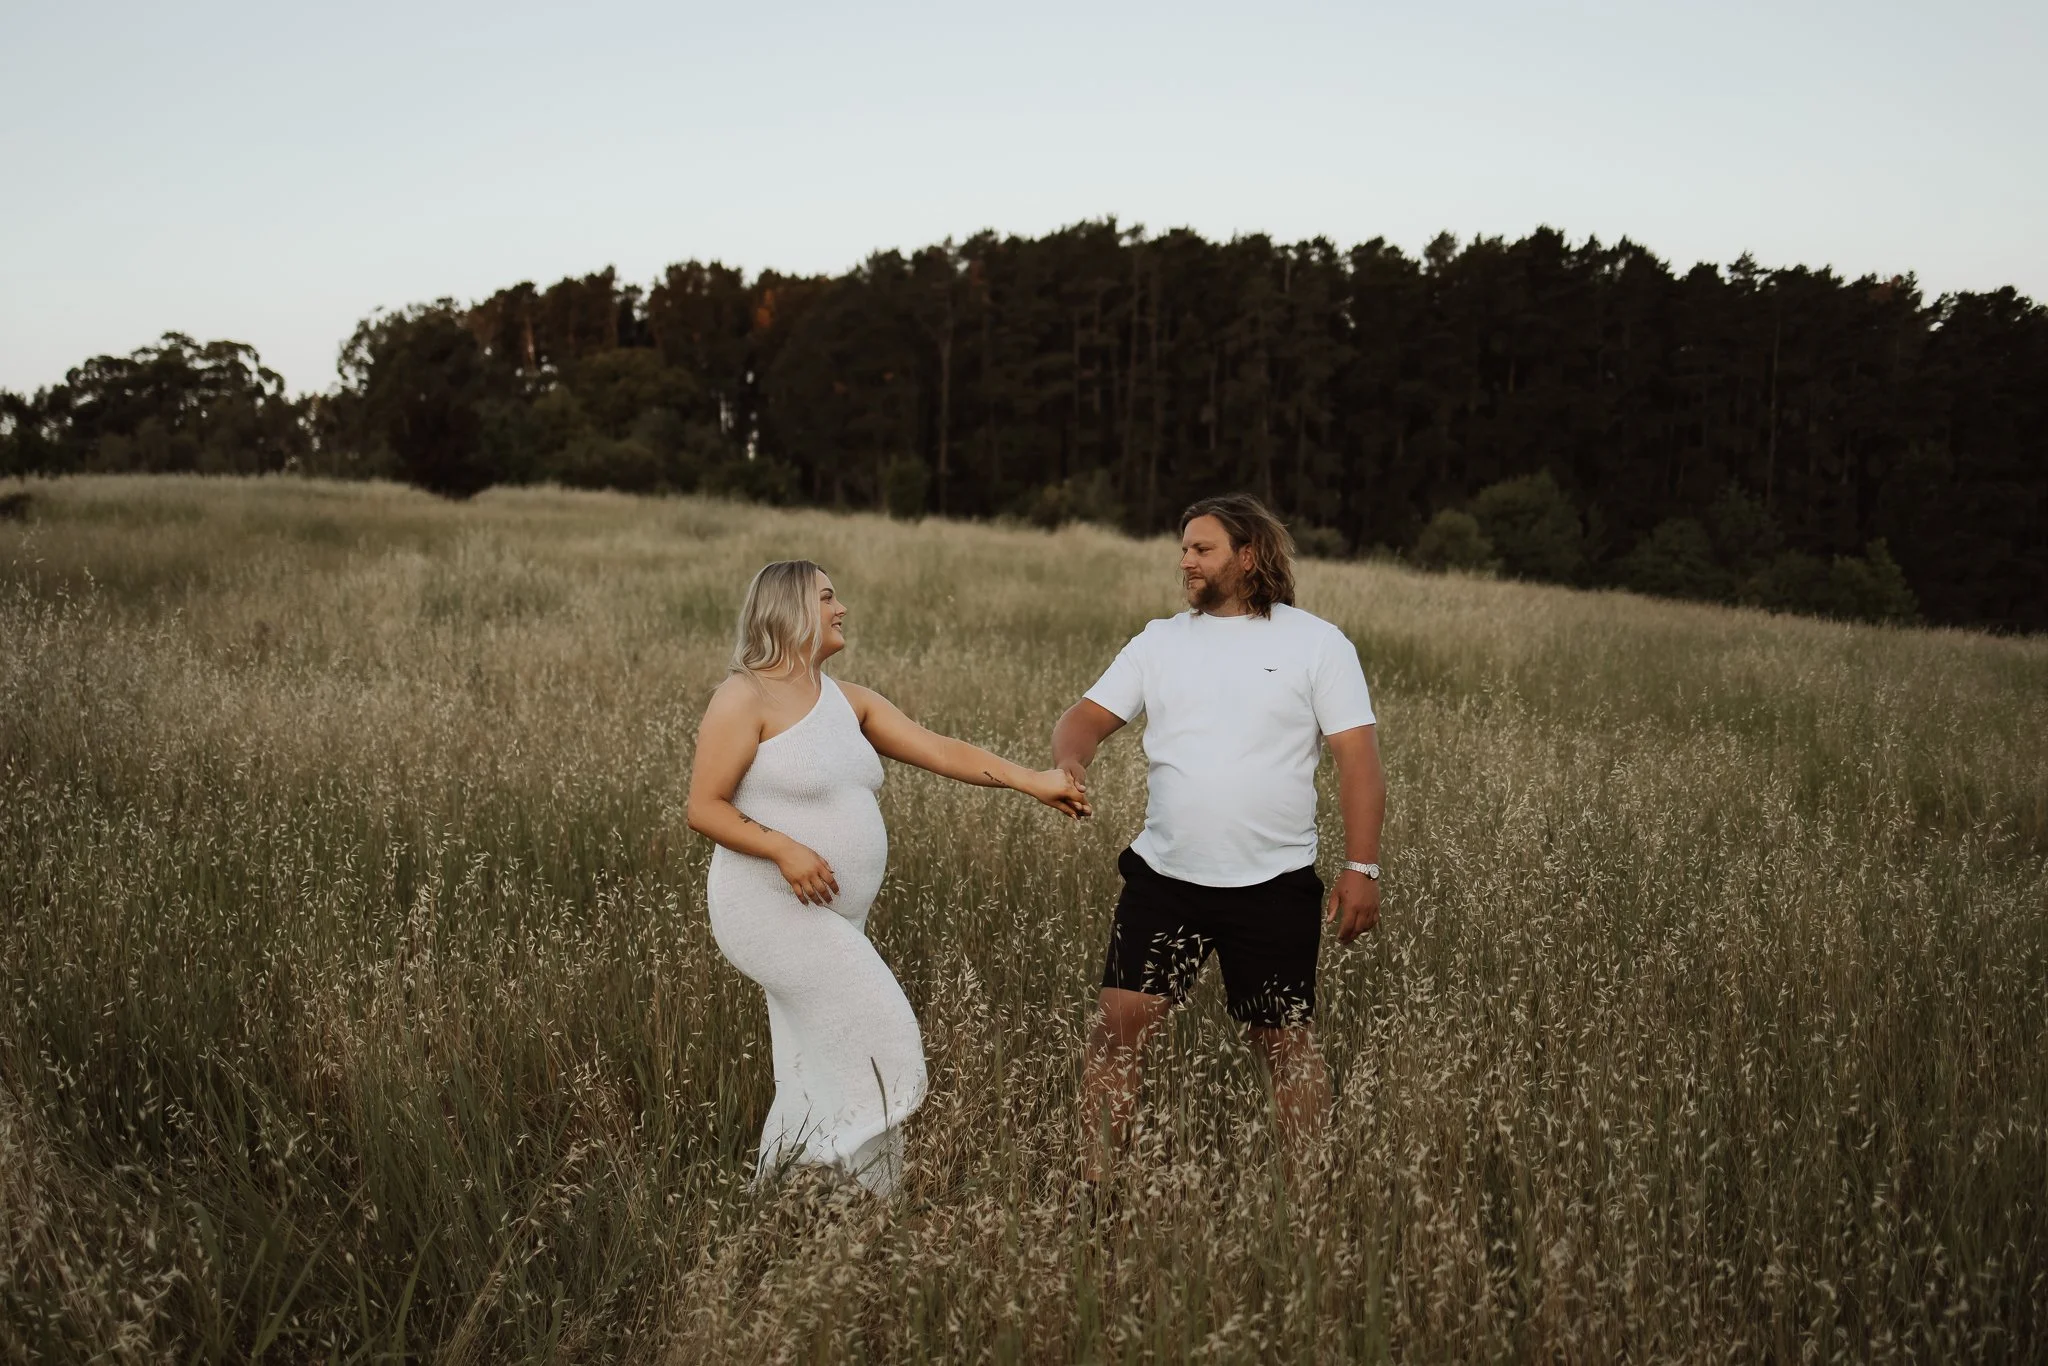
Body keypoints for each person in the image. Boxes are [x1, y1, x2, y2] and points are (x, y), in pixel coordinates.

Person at [687, 560, 1090, 1196]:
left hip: (832, 912)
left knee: (811, 1055)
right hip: (766, 903)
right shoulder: (745, 696)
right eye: (826, 597)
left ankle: (817, 1196)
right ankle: (833, 1178)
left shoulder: (851, 702)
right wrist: (785, 850)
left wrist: (1033, 782)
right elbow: (703, 805)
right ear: (790, 608)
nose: (840, 607)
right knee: (882, 1034)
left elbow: (944, 751)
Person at [1052, 493, 1386, 1177]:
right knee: (1118, 1029)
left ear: (1248, 555)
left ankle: (1309, 1197)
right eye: (1184, 549)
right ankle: (1097, 1191)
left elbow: (1359, 759)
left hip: (1273, 884)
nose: (1186, 561)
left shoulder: (1317, 643)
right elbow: (1082, 718)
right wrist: (1070, 762)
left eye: (1201, 549)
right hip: (1165, 879)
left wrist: (1362, 867)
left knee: (1283, 1042)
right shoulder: (1160, 642)